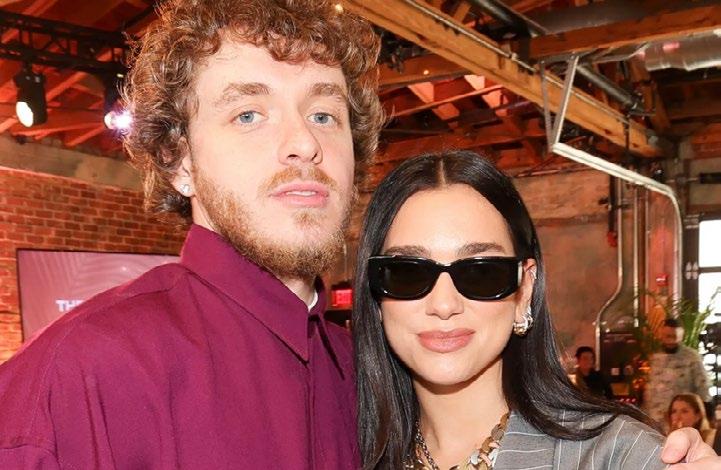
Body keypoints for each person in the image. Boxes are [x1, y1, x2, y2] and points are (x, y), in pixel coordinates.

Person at [0, 0, 382, 468]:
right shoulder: (75, 378)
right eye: (248, 114)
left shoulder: (368, 375)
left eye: (323, 115)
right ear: (180, 163)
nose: (305, 143)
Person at [352, 150, 721, 469]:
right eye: (407, 273)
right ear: (376, 295)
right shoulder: (347, 449)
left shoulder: (614, 455)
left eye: (482, 273)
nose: (444, 304)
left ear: (525, 289)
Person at [644, 318, 711, 428]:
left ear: (681, 336)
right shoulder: (654, 358)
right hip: (656, 421)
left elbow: (703, 389)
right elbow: (649, 391)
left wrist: (705, 417)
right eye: (668, 336)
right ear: (661, 335)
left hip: (682, 420)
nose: (671, 341)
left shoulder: (691, 358)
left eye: (674, 337)